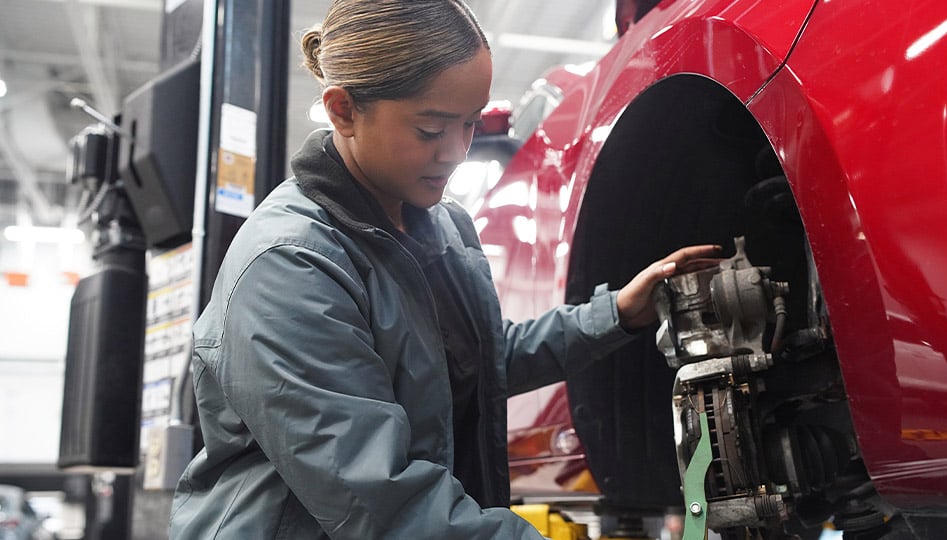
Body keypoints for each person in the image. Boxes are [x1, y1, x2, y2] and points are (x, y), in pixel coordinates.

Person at [168, 1, 720, 538]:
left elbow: (480, 362)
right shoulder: (289, 267)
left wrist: (617, 313)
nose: (456, 151)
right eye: (431, 130)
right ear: (343, 110)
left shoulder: (440, 225)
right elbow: (383, 502)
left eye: (471, 124)